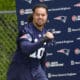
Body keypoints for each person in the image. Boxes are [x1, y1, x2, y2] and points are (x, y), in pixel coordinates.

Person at [7, 3, 54, 80]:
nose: (40, 17)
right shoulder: (26, 30)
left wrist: (43, 72)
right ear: (33, 15)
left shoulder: (45, 32)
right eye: (37, 14)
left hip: (36, 70)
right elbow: (26, 49)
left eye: (43, 15)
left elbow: (42, 56)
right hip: (21, 70)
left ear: (46, 16)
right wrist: (43, 39)